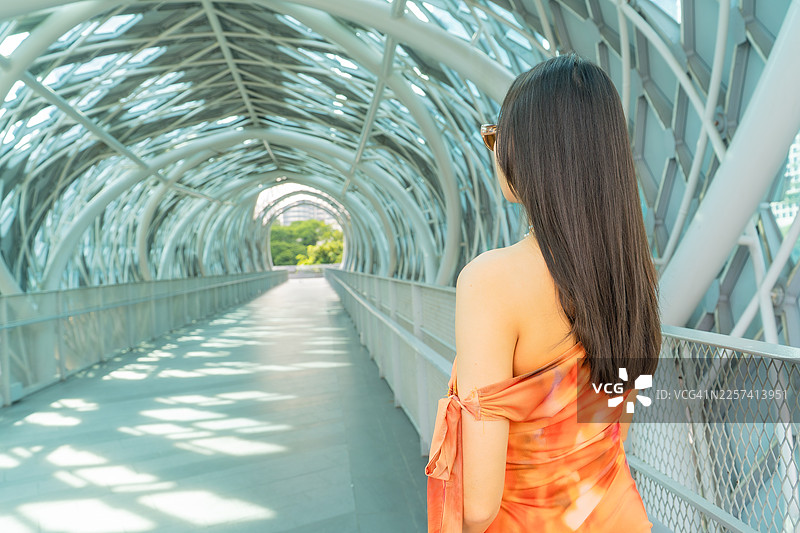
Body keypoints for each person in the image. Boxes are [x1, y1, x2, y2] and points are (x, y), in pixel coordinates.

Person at [425, 52, 661, 533]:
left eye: (495, 136)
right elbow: (611, 431)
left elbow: (477, 505)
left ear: (531, 148)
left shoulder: (491, 281)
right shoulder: (629, 274)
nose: (493, 151)